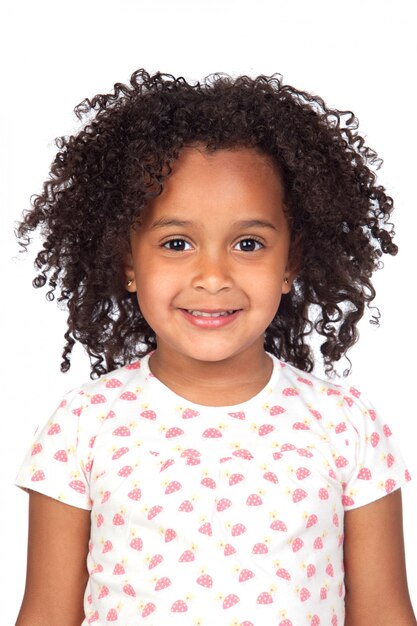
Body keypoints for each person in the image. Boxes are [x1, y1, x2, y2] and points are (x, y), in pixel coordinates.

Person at [14, 69, 416, 626]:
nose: (212, 275)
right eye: (176, 243)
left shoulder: (346, 425)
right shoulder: (83, 425)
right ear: (129, 262)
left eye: (248, 244)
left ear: (290, 264)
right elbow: (46, 615)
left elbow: (385, 615)